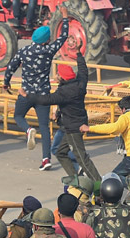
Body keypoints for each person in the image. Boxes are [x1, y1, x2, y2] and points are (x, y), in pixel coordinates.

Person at [22, 54, 101, 183]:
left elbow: (45, 99)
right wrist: (79, 54)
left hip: (73, 128)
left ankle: (98, 184)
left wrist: (28, 96)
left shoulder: (64, 92)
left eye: (57, 74)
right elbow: (83, 71)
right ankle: (76, 180)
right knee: (60, 152)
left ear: (62, 78)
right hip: (77, 123)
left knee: (82, 158)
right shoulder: (80, 84)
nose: (56, 76)